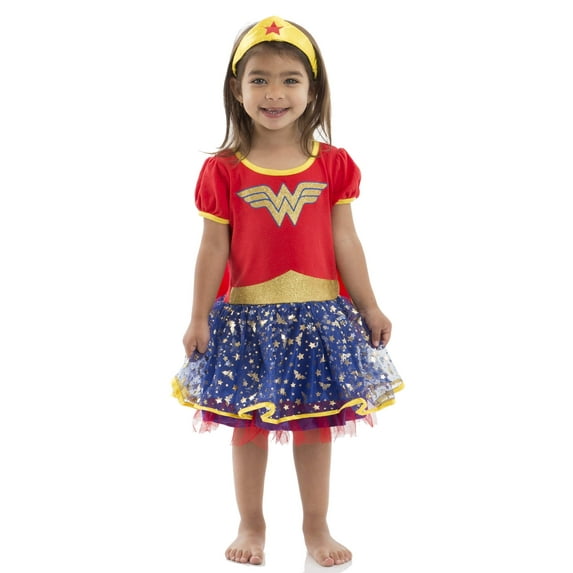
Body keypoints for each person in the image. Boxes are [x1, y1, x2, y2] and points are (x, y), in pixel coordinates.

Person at [171, 15, 404, 567]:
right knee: (248, 427)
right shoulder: (224, 170)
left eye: (289, 80)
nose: (274, 93)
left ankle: (316, 527)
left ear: (313, 89)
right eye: (259, 79)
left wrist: (369, 305)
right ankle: (251, 524)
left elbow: (345, 239)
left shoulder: (333, 165)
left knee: (316, 426)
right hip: (249, 319)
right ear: (237, 89)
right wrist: (198, 316)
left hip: (318, 319)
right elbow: (213, 248)